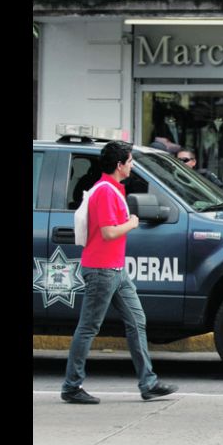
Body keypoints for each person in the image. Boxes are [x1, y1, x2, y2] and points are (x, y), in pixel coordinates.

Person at [61, 141, 178, 404]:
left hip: (116, 270)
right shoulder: (105, 192)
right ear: (119, 165)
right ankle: (71, 386)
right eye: (130, 161)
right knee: (88, 327)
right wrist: (132, 223)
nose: (132, 165)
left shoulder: (113, 189)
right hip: (102, 269)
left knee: (137, 322)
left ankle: (148, 383)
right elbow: (108, 232)